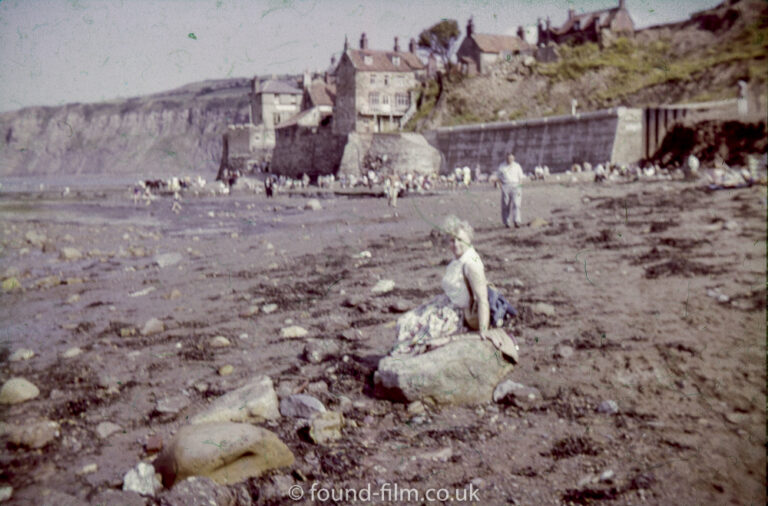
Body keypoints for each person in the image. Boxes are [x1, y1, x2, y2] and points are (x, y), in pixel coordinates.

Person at [391, 216, 510, 356]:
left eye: (460, 239)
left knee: (418, 333)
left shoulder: (471, 264)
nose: (455, 244)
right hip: (445, 304)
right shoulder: (458, 258)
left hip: (457, 314)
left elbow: (482, 299)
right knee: (405, 321)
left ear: (469, 239)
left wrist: (484, 331)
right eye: (452, 240)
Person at [496, 153, 524, 228]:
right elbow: (498, 177)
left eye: (511, 159)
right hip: (506, 186)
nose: (510, 160)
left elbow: (521, 177)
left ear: (513, 158)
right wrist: (501, 186)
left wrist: (520, 187)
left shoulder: (517, 166)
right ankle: (506, 222)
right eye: (508, 159)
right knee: (505, 204)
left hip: (516, 186)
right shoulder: (502, 166)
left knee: (516, 204)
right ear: (506, 158)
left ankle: (517, 221)